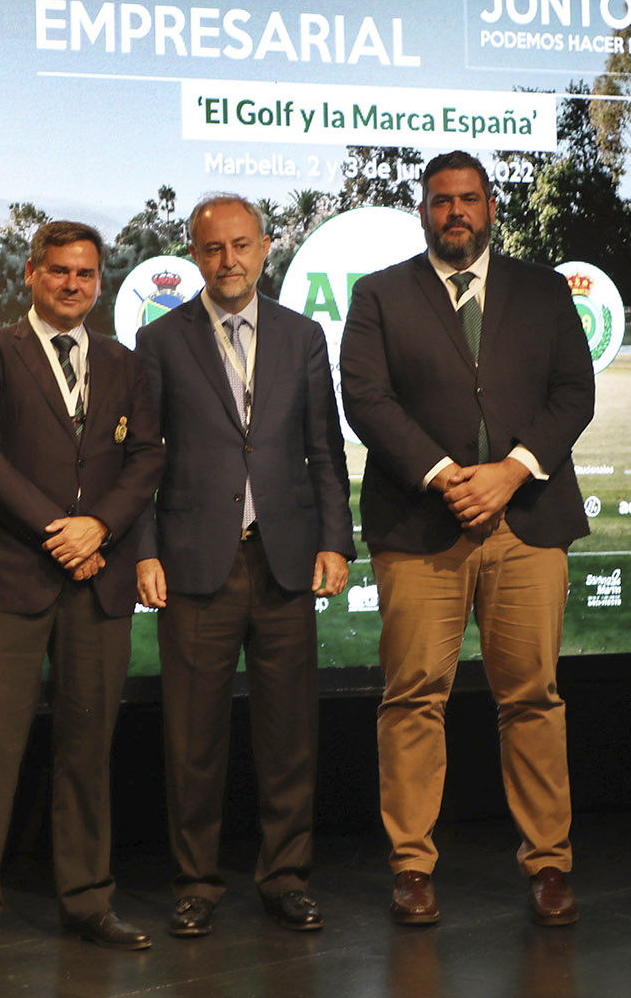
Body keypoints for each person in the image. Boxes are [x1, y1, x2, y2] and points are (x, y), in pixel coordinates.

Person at [338, 150, 596, 928]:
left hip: (528, 521)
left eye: (469, 200)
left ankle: (549, 865)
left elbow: (573, 394)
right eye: (442, 200)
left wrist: (509, 473)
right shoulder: (380, 294)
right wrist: (449, 475)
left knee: (533, 699)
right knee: (413, 697)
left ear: (491, 208)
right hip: (421, 528)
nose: (456, 212)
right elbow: (366, 401)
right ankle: (412, 868)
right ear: (422, 210)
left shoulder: (544, 291)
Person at [0, 220, 165, 969]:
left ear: (100, 281)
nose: (73, 285)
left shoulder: (123, 362)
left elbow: (146, 458)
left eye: (86, 274)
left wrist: (97, 526)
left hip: (96, 583)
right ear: (31, 275)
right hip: (10, 576)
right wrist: (57, 529)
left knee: (86, 750)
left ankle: (89, 902)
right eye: (60, 271)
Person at [133, 194, 354, 938]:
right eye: (211, 248)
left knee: (289, 734)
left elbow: (324, 448)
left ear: (266, 248)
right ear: (194, 255)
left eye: (240, 245)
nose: (228, 260)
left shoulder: (302, 335)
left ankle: (286, 877)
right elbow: (142, 461)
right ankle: (197, 883)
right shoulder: (159, 341)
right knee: (193, 739)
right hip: (198, 564)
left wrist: (335, 540)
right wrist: (146, 552)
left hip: (286, 560)